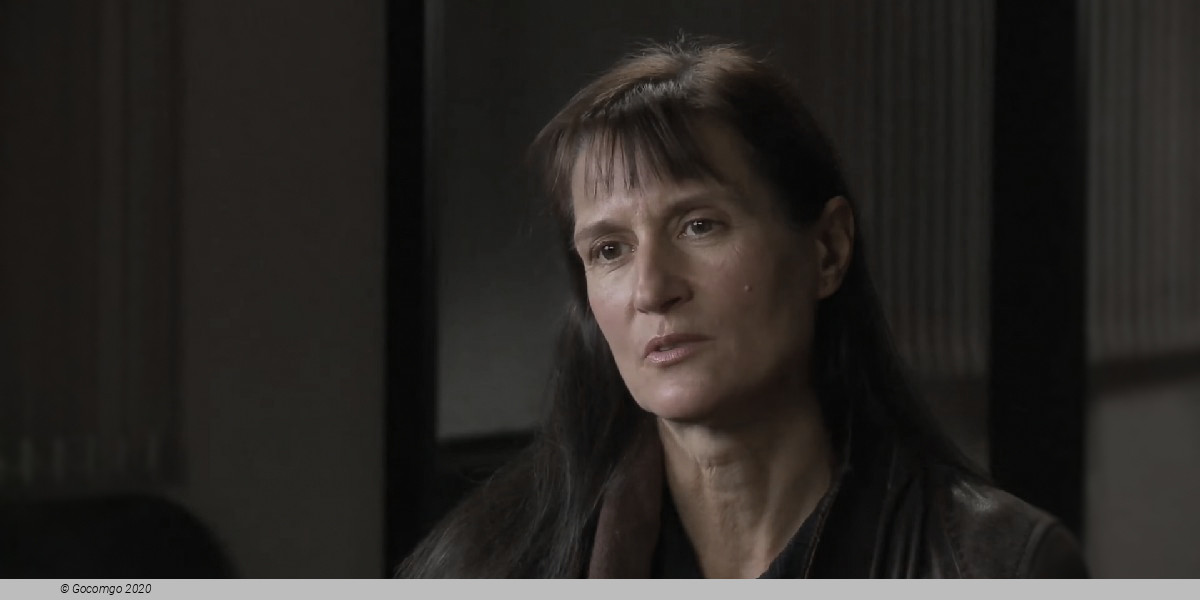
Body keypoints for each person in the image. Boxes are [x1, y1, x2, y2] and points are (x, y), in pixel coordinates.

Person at [398, 37, 1089, 578]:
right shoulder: (482, 566)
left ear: (827, 251)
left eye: (699, 225)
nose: (651, 289)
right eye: (609, 249)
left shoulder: (994, 565)